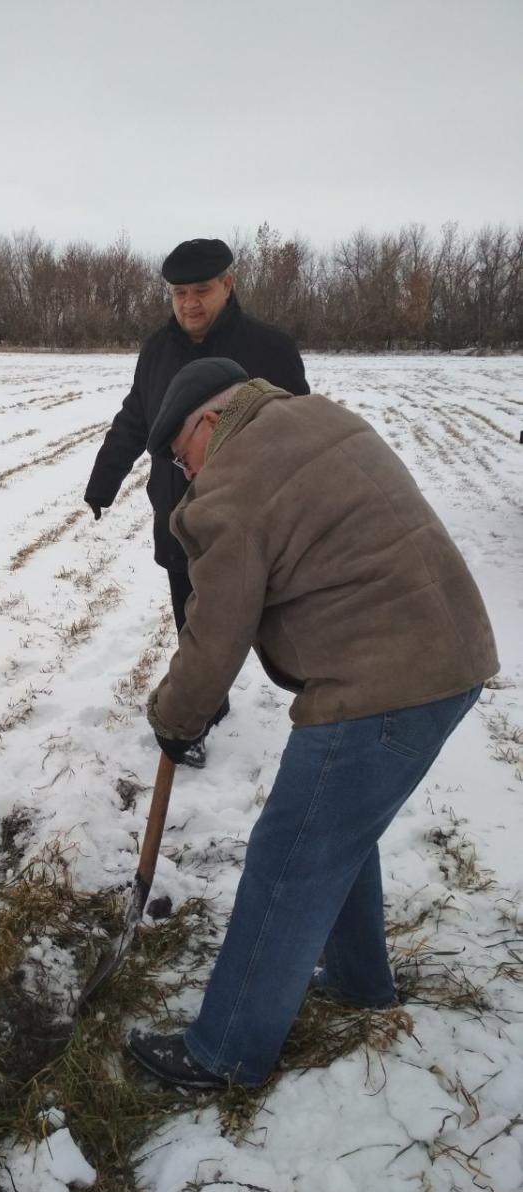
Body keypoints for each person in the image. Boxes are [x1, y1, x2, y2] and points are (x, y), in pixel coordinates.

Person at [125, 358, 499, 1089]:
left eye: (180, 456)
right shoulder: (322, 415)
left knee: (289, 856)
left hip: (383, 683)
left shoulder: (233, 482)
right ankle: (359, 978)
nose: (186, 472)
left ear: (208, 421)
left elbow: (216, 631)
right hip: (451, 657)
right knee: (335, 833)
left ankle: (223, 1053)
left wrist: (175, 717)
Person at [84, 237, 308, 768]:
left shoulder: (269, 347)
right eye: (179, 292)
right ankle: (202, 711)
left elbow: (301, 429)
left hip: (250, 518)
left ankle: (312, 700)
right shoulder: (156, 351)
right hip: (178, 514)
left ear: (227, 285)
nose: (189, 303)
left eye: (201, 289)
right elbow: (135, 417)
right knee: (191, 617)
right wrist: (104, 480)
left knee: (250, 615)